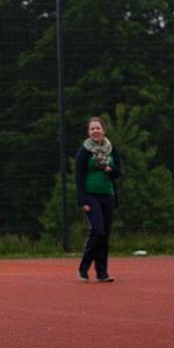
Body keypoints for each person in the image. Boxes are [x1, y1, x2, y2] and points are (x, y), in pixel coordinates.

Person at [75, 116, 122, 283]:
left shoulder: (111, 149)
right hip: (90, 195)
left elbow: (118, 172)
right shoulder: (84, 151)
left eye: (98, 128)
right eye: (92, 129)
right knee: (97, 230)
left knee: (105, 235)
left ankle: (102, 272)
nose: (95, 131)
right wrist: (83, 201)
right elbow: (79, 177)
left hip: (108, 195)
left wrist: (110, 169)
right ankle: (84, 266)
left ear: (104, 130)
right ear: (88, 132)